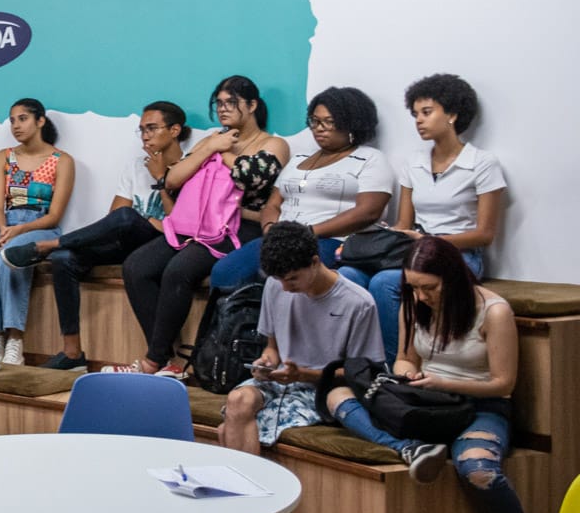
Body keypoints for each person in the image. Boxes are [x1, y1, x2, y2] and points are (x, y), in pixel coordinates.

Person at [324, 238, 543, 513]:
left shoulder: (493, 311)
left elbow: (504, 383)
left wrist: (442, 380)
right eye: (414, 287)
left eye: (430, 288)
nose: (421, 296)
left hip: (480, 406)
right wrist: (407, 373)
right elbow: (405, 358)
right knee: (337, 395)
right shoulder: (414, 303)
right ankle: (408, 446)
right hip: (427, 400)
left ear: (453, 278)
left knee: (478, 470)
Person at [118, 75, 289, 376]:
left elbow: (248, 178)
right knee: (137, 266)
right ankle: (166, 356)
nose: (223, 110)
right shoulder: (212, 138)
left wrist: (220, 150)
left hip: (241, 227)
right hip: (199, 223)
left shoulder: (273, 143)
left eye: (230, 103)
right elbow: (172, 179)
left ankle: (153, 361)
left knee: (179, 269)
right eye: (219, 103)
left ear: (251, 105)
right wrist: (209, 146)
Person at [2, 102, 187, 370]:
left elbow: (181, 225)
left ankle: (47, 245)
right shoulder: (136, 166)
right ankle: (72, 353)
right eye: (142, 130)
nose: (145, 135)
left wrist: (160, 180)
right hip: (130, 237)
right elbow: (116, 215)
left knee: (128, 218)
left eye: (152, 128)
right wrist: (139, 219)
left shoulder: (190, 167)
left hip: (162, 243)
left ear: (174, 130)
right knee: (65, 258)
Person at [343, 73, 507, 359]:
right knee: (348, 275)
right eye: (415, 113)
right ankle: (357, 360)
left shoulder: (481, 163)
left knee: (385, 283)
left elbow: (485, 234)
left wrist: (432, 241)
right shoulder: (414, 163)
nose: (418, 120)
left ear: (453, 114)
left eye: (427, 112)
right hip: (416, 251)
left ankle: (393, 365)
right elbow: (403, 225)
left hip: (462, 256)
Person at [218, 222, 381, 461]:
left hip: (322, 389)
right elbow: (272, 348)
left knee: (229, 429)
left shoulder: (358, 303)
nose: (285, 287)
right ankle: (245, 488)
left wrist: (302, 375)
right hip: (283, 380)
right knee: (238, 400)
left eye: (293, 279)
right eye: (279, 279)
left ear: (315, 262)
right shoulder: (275, 285)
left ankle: (249, 487)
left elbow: (359, 375)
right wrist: (266, 363)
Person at [211, 86, 394, 288]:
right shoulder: (299, 159)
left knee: (277, 278)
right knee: (224, 272)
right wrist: (270, 229)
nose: (319, 128)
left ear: (352, 123)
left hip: (331, 239)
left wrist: (308, 232)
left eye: (329, 122)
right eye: (315, 121)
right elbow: (273, 204)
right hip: (281, 238)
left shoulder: (370, 158)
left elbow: (368, 212)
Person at [0, 99, 75, 367]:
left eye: (23, 118)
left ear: (40, 121)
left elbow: (54, 215)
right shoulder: (4, 156)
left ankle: (15, 338)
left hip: (39, 224)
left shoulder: (62, 160)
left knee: (11, 256)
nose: (16, 125)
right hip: (5, 222)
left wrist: (21, 230)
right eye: (12, 120)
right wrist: (4, 227)